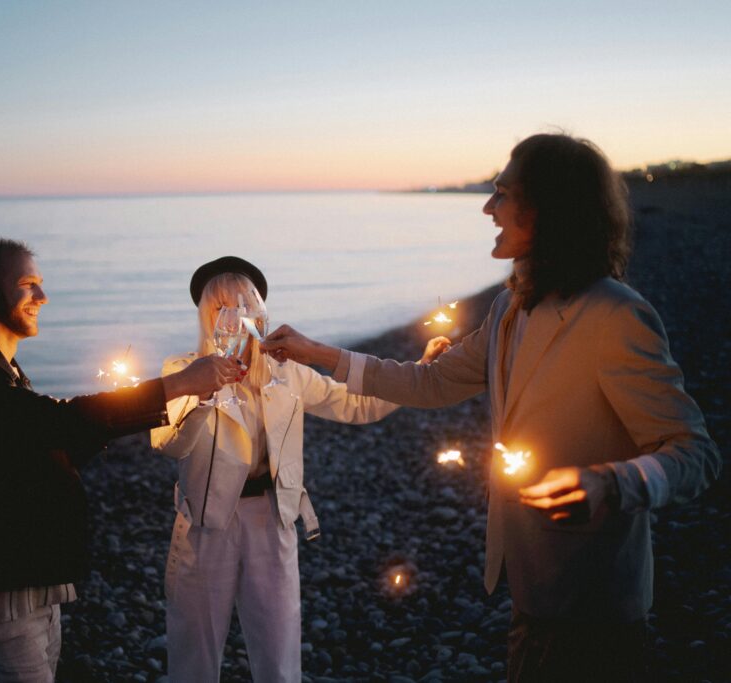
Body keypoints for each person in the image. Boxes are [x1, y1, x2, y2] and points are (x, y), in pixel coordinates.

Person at [262, 134, 721, 681]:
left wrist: (612, 483)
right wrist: (319, 354)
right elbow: (431, 383)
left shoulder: (614, 316)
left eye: (502, 194)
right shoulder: (510, 305)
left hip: (593, 601)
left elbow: (696, 452)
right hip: (530, 583)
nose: (487, 207)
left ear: (548, 209)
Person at [0, 238, 241, 683]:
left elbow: (49, 444)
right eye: (28, 284)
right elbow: (60, 422)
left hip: (30, 583)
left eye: (40, 284)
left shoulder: (4, 370)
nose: (42, 297)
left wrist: (109, 423)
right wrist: (175, 385)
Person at [151, 256, 448, 682]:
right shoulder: (182, 371)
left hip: (272, 516)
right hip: (205, 521)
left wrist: (418, 372)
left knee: (279, 646)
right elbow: (168, 443)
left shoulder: (285, 372)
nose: (233, 318)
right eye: (221, 308)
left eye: (243, 305)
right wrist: (199, 394)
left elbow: (356, 403)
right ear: (206, 317)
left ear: (260, 311)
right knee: (193, 649)